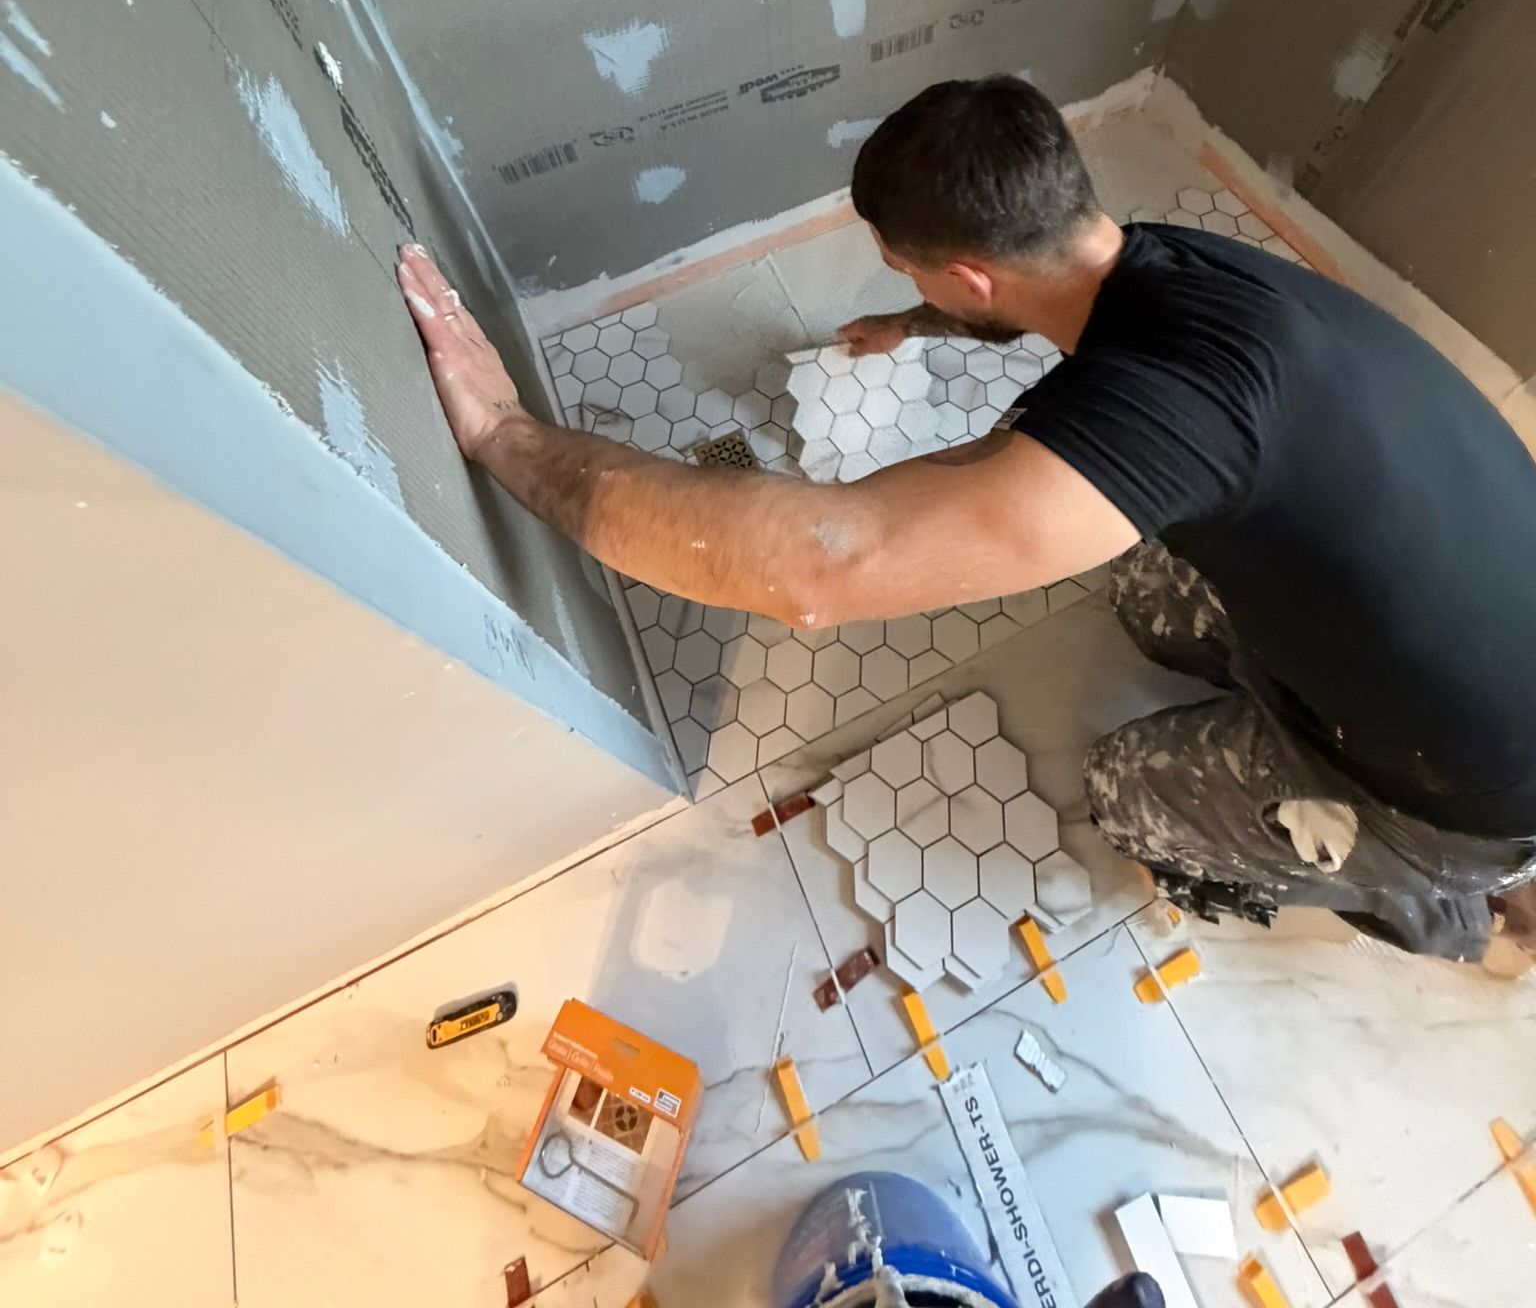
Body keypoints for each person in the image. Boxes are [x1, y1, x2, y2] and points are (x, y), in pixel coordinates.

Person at [398, 74, 1536, 967]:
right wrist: (914, 320)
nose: (903, 279)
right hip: (1479, 603)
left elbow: (815, 566)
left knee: (1131, 789)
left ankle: (1441, 899)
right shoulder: (1171, 265)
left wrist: (506, 435)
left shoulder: (1170, 407)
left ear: (973, 273)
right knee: (1145, 583)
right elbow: (1046, 305)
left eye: (910, 267)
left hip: (1471, 780)